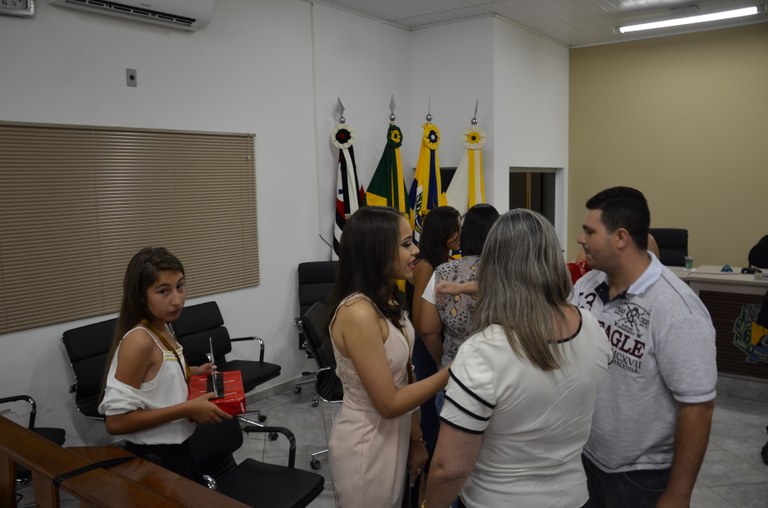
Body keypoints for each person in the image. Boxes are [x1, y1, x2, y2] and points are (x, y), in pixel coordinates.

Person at [424, 209, 613, 507]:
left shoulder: (483, 351)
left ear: (493, 268)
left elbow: (450, 469)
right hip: (573, 497)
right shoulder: (591, 327)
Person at [571, 187, 717, 508]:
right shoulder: (587, 285)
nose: (581, 239)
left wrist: (678, 494)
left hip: (641, 477)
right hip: (586, 460)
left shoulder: (677, 310)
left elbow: (698, 407)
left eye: (589, 231)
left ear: (621, 237)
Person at [327, 206, 450, 508]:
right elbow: (388, 402)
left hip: (396, 431)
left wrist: (415, 437)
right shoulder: (358, 313)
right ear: (376, 251)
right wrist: (452, 372)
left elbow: (404, 373)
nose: (416, 250)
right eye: (406, 244)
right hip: (367, 441)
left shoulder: (386, 298)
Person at [98, 247, 231, 483]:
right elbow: (115, 422)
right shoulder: (139, 340)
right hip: (155, 457)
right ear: (141, 296)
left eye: (180, 286)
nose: (177, 299)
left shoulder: (162, 326)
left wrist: (192, 372)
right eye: (163, 291)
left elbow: (156, 377)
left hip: (179, 449)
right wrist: (187, 409)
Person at [418, 203, 499, 380]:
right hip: (500, 373)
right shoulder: (509, 272)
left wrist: (443, 361)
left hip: (455, 373)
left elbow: (427, 330)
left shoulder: (443, 272)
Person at [406, 205, 461, 459]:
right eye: (455, 228)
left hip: (436, 343)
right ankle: (425, 469)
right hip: (428, 347)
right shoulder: (426, 266)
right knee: (430, 414)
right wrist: (440, 357)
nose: (460, 233)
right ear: (442, 232)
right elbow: (420, 321)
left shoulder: (444, 262)